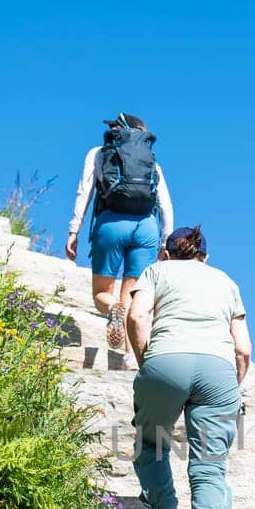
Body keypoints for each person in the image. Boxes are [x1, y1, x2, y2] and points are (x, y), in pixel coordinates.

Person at [126, 225, 251, 509]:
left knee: (150, 442)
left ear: (165, 253)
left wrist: (146, 363)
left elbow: (136, 316)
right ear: (205, 257)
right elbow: (243, 348)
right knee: (210, 462)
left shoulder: (155, 271)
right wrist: (232, 385)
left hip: (166, 360)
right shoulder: (226, 281)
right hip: (218, 370)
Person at [66, 114, 174, 353]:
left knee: (103, 293)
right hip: (146, 228)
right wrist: (165, 243)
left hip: (111, 223)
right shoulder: (151, 161)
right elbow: (166, 205)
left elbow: (84, 193)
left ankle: (112, 307)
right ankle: (128, 357)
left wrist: (74, 231)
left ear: (118, 130)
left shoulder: (98, 153)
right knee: (133, 297)